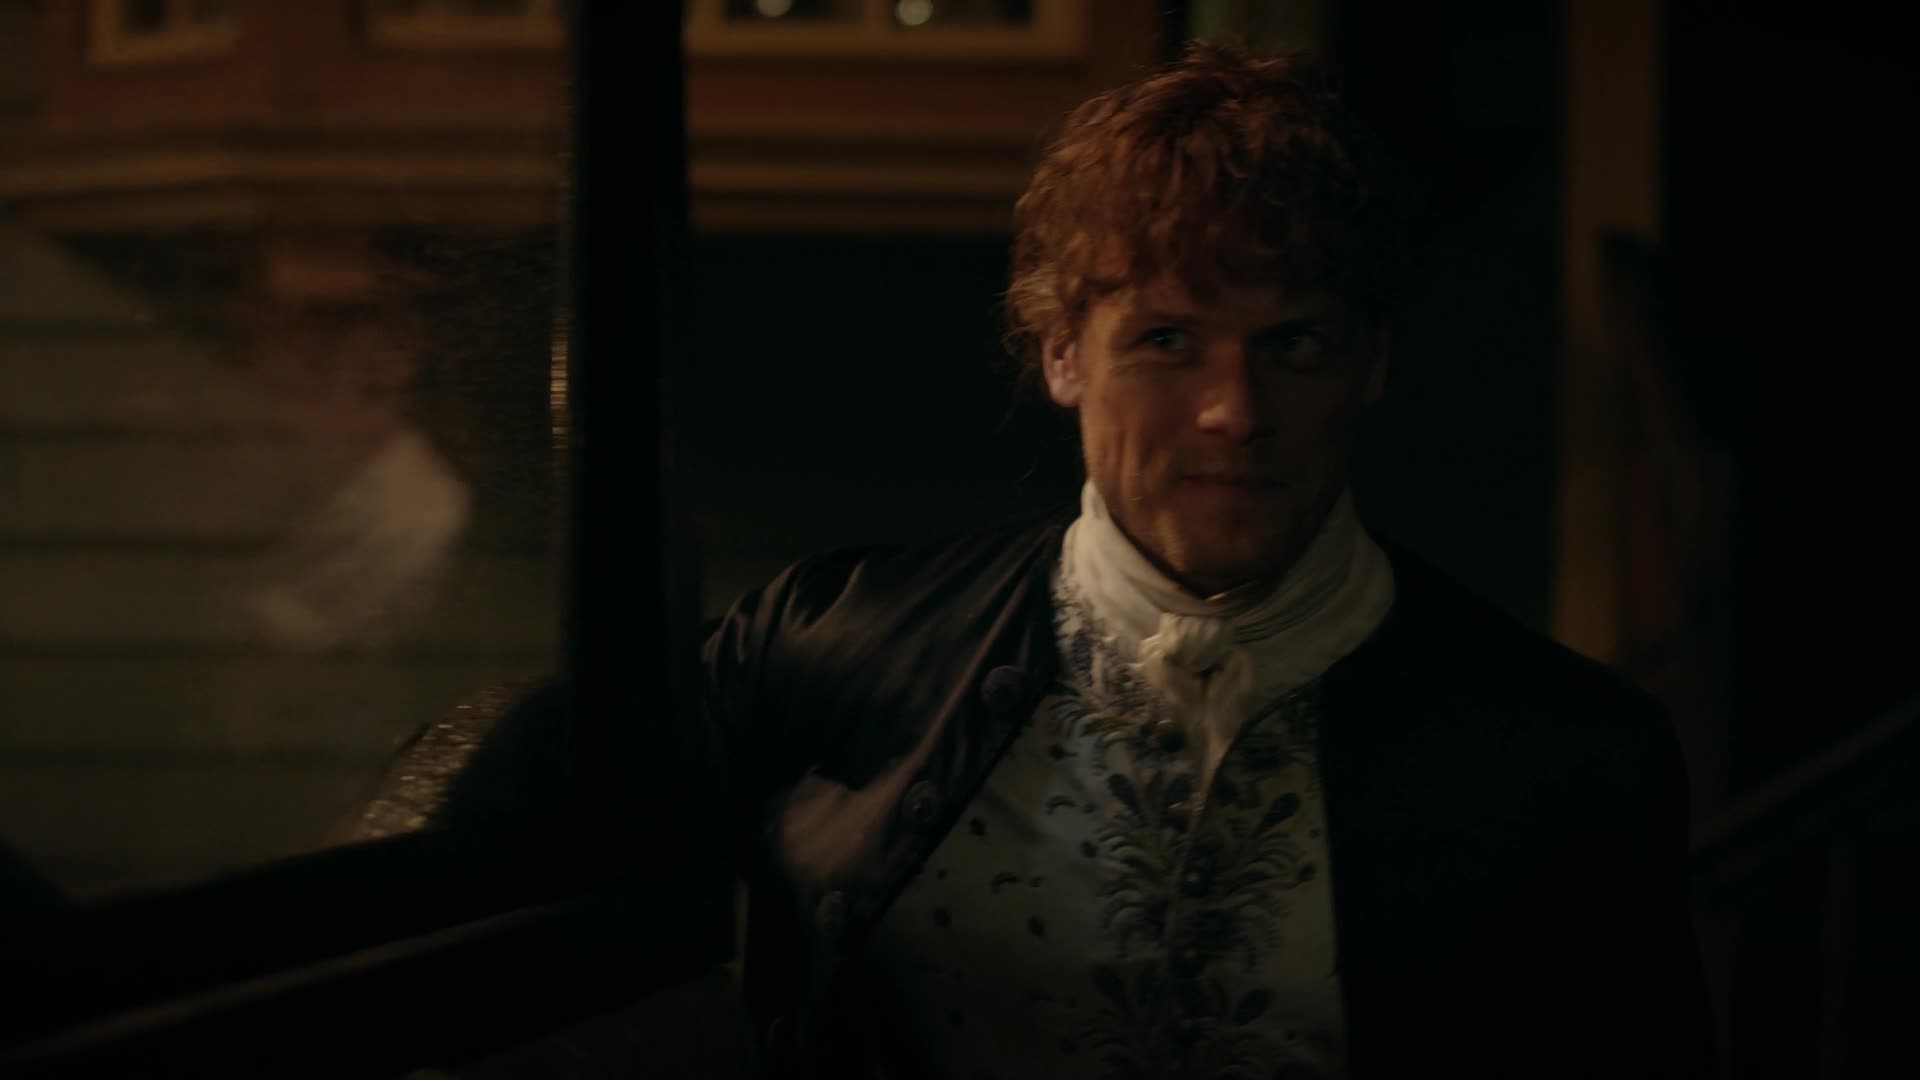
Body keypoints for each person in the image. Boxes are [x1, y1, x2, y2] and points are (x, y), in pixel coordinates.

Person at [692, 42, 1717, 1079]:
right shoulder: (829, 649)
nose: (1235, 411)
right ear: (1061, 351)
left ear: (1373, 360)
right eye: (1168, 342)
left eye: (1294, 344)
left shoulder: (1567, 757)